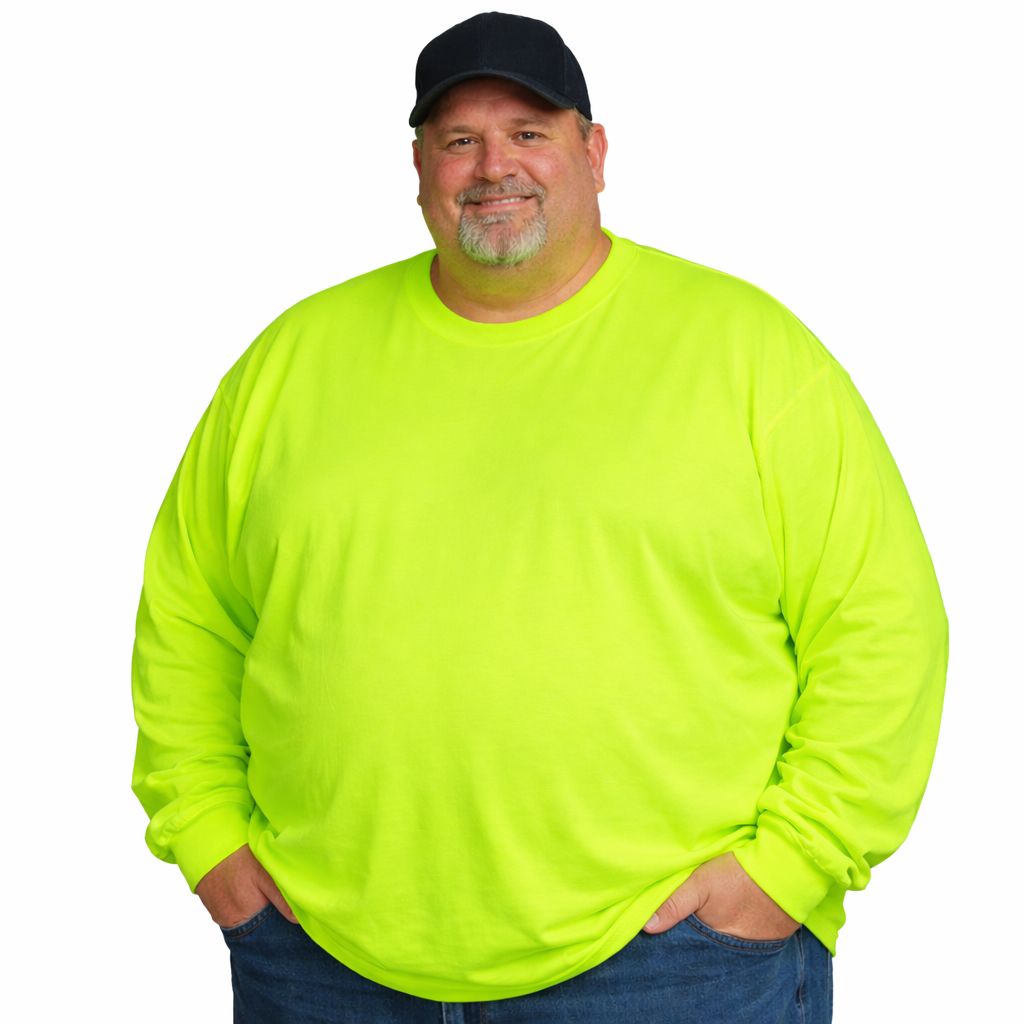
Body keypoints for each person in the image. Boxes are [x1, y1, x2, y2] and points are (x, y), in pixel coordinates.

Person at [130, 11, 948, 1023]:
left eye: (528, 132)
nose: (493, 167)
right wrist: (209, 837)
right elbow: (190, 617)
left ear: (593, 152)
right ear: (418, 165)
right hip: (320, 953)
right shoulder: (289, 363)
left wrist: (789, 866)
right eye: (459, 139)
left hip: (670, 962)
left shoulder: (749, 355)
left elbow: (881, 626)